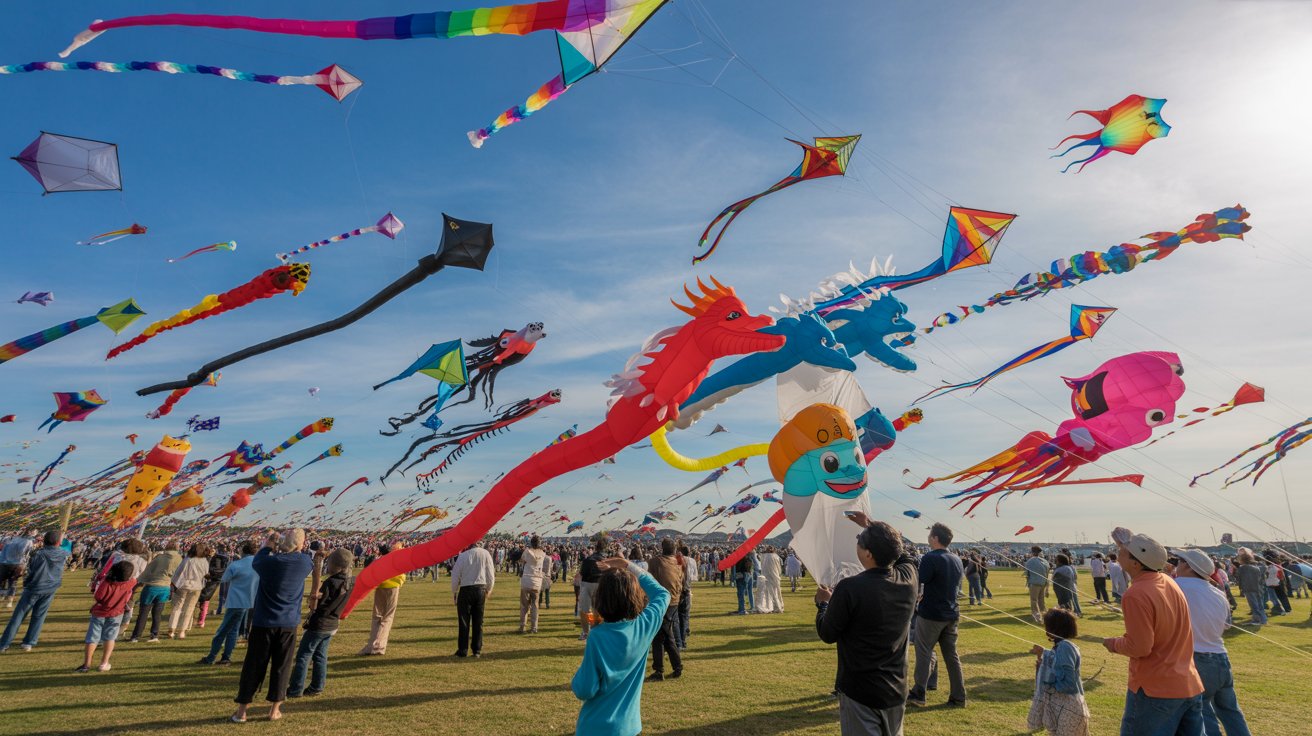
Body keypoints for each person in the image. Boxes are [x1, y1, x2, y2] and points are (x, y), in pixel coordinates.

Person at [814, 513, 917, 735]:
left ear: (868, 553)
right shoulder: (908, 579)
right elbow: (902, 553)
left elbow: (827, 633)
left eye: (859, 538)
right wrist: (870, 524)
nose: (857, 541)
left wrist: (823, 605)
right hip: (896, 688)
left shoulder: (850, 588)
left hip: (861, 691)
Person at [1101, 527, 1204, 735]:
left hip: (1155, 689)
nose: (1118, 552)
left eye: (1122, 551)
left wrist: (1112, 643)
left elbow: (1139, 647)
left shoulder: (1136, 593)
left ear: (1135, 563)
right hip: (1188, 683)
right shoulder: (1168, 582)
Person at [571, 555, 670, 736]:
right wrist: (628, 565)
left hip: (595, 727)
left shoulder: (598, 637)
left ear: (601, 598)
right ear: (635, 596)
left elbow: (585, 689)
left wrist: (576, 680)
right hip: (629, 727)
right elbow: (663, 594)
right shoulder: (644, 626)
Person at [231, 529, 313, 723]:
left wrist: (270, 543)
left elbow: (258, 557)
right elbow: (304, 555)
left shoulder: (267, 562)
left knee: (253, 665)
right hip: (288, 622)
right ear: (301, 545)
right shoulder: (304, 562)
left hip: (263, 621)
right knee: (282, 666)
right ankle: (274, 709)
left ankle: (242, 710)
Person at [1172, 548, 1251, 736]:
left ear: (1188, 566)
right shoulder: (1217, 593)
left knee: (1202, 712)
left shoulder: (1175, 586)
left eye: (1179, 561)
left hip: (1195, 657)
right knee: (1231, 711)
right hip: (1220, 657)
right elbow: (1226, 625)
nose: (1176, 565)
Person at [907, 522, 966, 708]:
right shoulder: (956, 558)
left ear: (935, 538)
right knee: (951, 656)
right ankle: (958, 696)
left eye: (930, 535)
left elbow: (921, 579)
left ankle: (918, 693)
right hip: (951, 612)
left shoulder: (930, 557)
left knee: (923, 652)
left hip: (932, 613)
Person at [288, 548, 352, 698]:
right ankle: (317, 686)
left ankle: (295, 689)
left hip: (320, 624)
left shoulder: (331, 582)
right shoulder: (350, 581)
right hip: (332, 624)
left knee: (304, 655)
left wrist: (314, 597)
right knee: (320, 655)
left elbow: (315, 605)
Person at [0, 530, 71, 652]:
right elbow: (67, 548)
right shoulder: (63, 553)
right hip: (50, 587)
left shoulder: (37, 554)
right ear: (58, 542)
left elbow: (28, 570)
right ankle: (29, 642)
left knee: (19, 616)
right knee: (39, 616)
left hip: (35, 587)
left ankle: (4, 643)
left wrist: (27, 583)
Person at [1027, 608, 1091, 736]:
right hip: (1061, 708)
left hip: (1069, 710)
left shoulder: (1065, 647)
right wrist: (1042, 664)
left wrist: (1050, 683)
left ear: (1054, 628)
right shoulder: (1061, 646)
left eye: (1047, 625)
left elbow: (1068, 683)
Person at [201, 540, 259, 665]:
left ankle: (211, 657)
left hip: (235, 601)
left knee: (222, 631)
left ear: (243, 550)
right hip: (249, 601)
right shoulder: (258, 564)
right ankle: (226, 657)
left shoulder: (236, 565)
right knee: (234, 630)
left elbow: (224, 579)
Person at [78, 560, 135, 672]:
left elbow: (98, 596)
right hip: (116, 613)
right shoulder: (130, 583)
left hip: (100, 612)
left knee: (92, 638)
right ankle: (104, 663)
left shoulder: (107, 582)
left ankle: (87, 664)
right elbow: (135, 580)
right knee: (110, 638)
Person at [645, 538, 684, 681]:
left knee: (660, 636)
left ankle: (659, 670)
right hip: (674, 601)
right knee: (666, 635)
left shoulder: (656, 562)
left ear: (662, 548)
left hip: (663, 602)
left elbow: (644, 573)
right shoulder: (678, 562)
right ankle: (676, 666)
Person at [359, 542, 405, 656]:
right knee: (387, 618)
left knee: (377, 617)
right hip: (392, 588)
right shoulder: (397, 561)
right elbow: (402, 575)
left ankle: (371, 646)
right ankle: (378, 646)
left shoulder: (380, 561)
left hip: (380, 588)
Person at [451, 540, 495, 658]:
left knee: (464, 621)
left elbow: (455, 575)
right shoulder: (485, 554)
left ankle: (463, 649)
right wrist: (489, 589)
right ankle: (477, 650)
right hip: (480, 588)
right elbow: (490, 573)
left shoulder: (463, 556)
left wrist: (454, 591)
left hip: (465, 589)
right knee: (478, 621)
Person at [131, 541, 182, 642]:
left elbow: (148, 570)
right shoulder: (179, 559)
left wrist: (139, 582)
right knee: (157, 613)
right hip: (165, 587)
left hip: (152, 586)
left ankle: (136, 636)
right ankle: (154, 635)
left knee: (144, 612)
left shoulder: (159, 558)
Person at [169, 542, 211, 639]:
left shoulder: (188, 560)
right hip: (196, 586)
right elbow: (206, 574)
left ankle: (172, 629)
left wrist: (174, 584)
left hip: (184, 585)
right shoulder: (204, 561)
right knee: (189, 608)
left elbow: (179, 572)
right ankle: (182, 631)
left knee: (178, 606)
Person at [578, 536, 607, 641]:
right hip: (601, 584)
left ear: (595, 547)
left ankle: (586, 632)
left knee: (584, 610)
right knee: (597, 610)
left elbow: (582, 573)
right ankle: (596, 630)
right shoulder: (607, 559)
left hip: (587, 583)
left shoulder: (588, 559)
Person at [518, 535, 549, 634]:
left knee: (524, 605)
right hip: (537, 581)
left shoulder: (527, 552)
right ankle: (534, 627)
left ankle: (523, 626)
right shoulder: (543, 554)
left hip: (527, 579)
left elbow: (522, 561)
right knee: (535, 605)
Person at [196, 543, 230, 628]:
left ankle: (201, 620)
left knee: (204, 601)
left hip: (210, 581)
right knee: (203, 601)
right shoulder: (211, 558)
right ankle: (200, 619)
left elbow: (214, 570)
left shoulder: (217, 559)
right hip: (208, 581)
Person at [0, 528, 35, 608]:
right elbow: (25, 553)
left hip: (4, 562)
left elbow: (3, 550)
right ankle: (9, 602)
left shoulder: (10, 540)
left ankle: (3, 595)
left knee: (2, 581)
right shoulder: (28, 542)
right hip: (17, 564)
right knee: (12, 582)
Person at [1232, 549, 1266, 625]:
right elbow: (1260, 579)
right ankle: (1263, 619)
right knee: (1260, 604)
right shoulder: (1256, 567)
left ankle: (1257, 620)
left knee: (1254, 605)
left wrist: (1241, 587)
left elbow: (1239, 578)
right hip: (1257, 587)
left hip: (1248, 588)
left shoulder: (1242, 568)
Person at [677, 544, 696, 649]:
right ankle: (683, 640)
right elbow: (694, 577)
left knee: (677, 617)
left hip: (678, 591)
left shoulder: (677, 560)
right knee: (684, 616)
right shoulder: (691, 561)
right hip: (686, 590)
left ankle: (679, 641)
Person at [755, 545, 785, 613]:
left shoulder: (764, 556)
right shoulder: (775, 557)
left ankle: (773, 607)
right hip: (775, 576)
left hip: (767, 576)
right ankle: (778, 606)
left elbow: (762, 565)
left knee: (767, 593)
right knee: (776, 592)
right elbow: (779, 568)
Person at [1025, 546, 1051, 622]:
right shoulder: (1045, 562)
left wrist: (1028, 582)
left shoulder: (1029, 561)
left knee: (1034, 600)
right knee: (1041, 600)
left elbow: (1027, 574)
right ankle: (1044, 615)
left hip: (1034, 583)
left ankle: (1036, 615)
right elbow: (1047, 573)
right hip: (1043, 583)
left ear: (1033, 552)